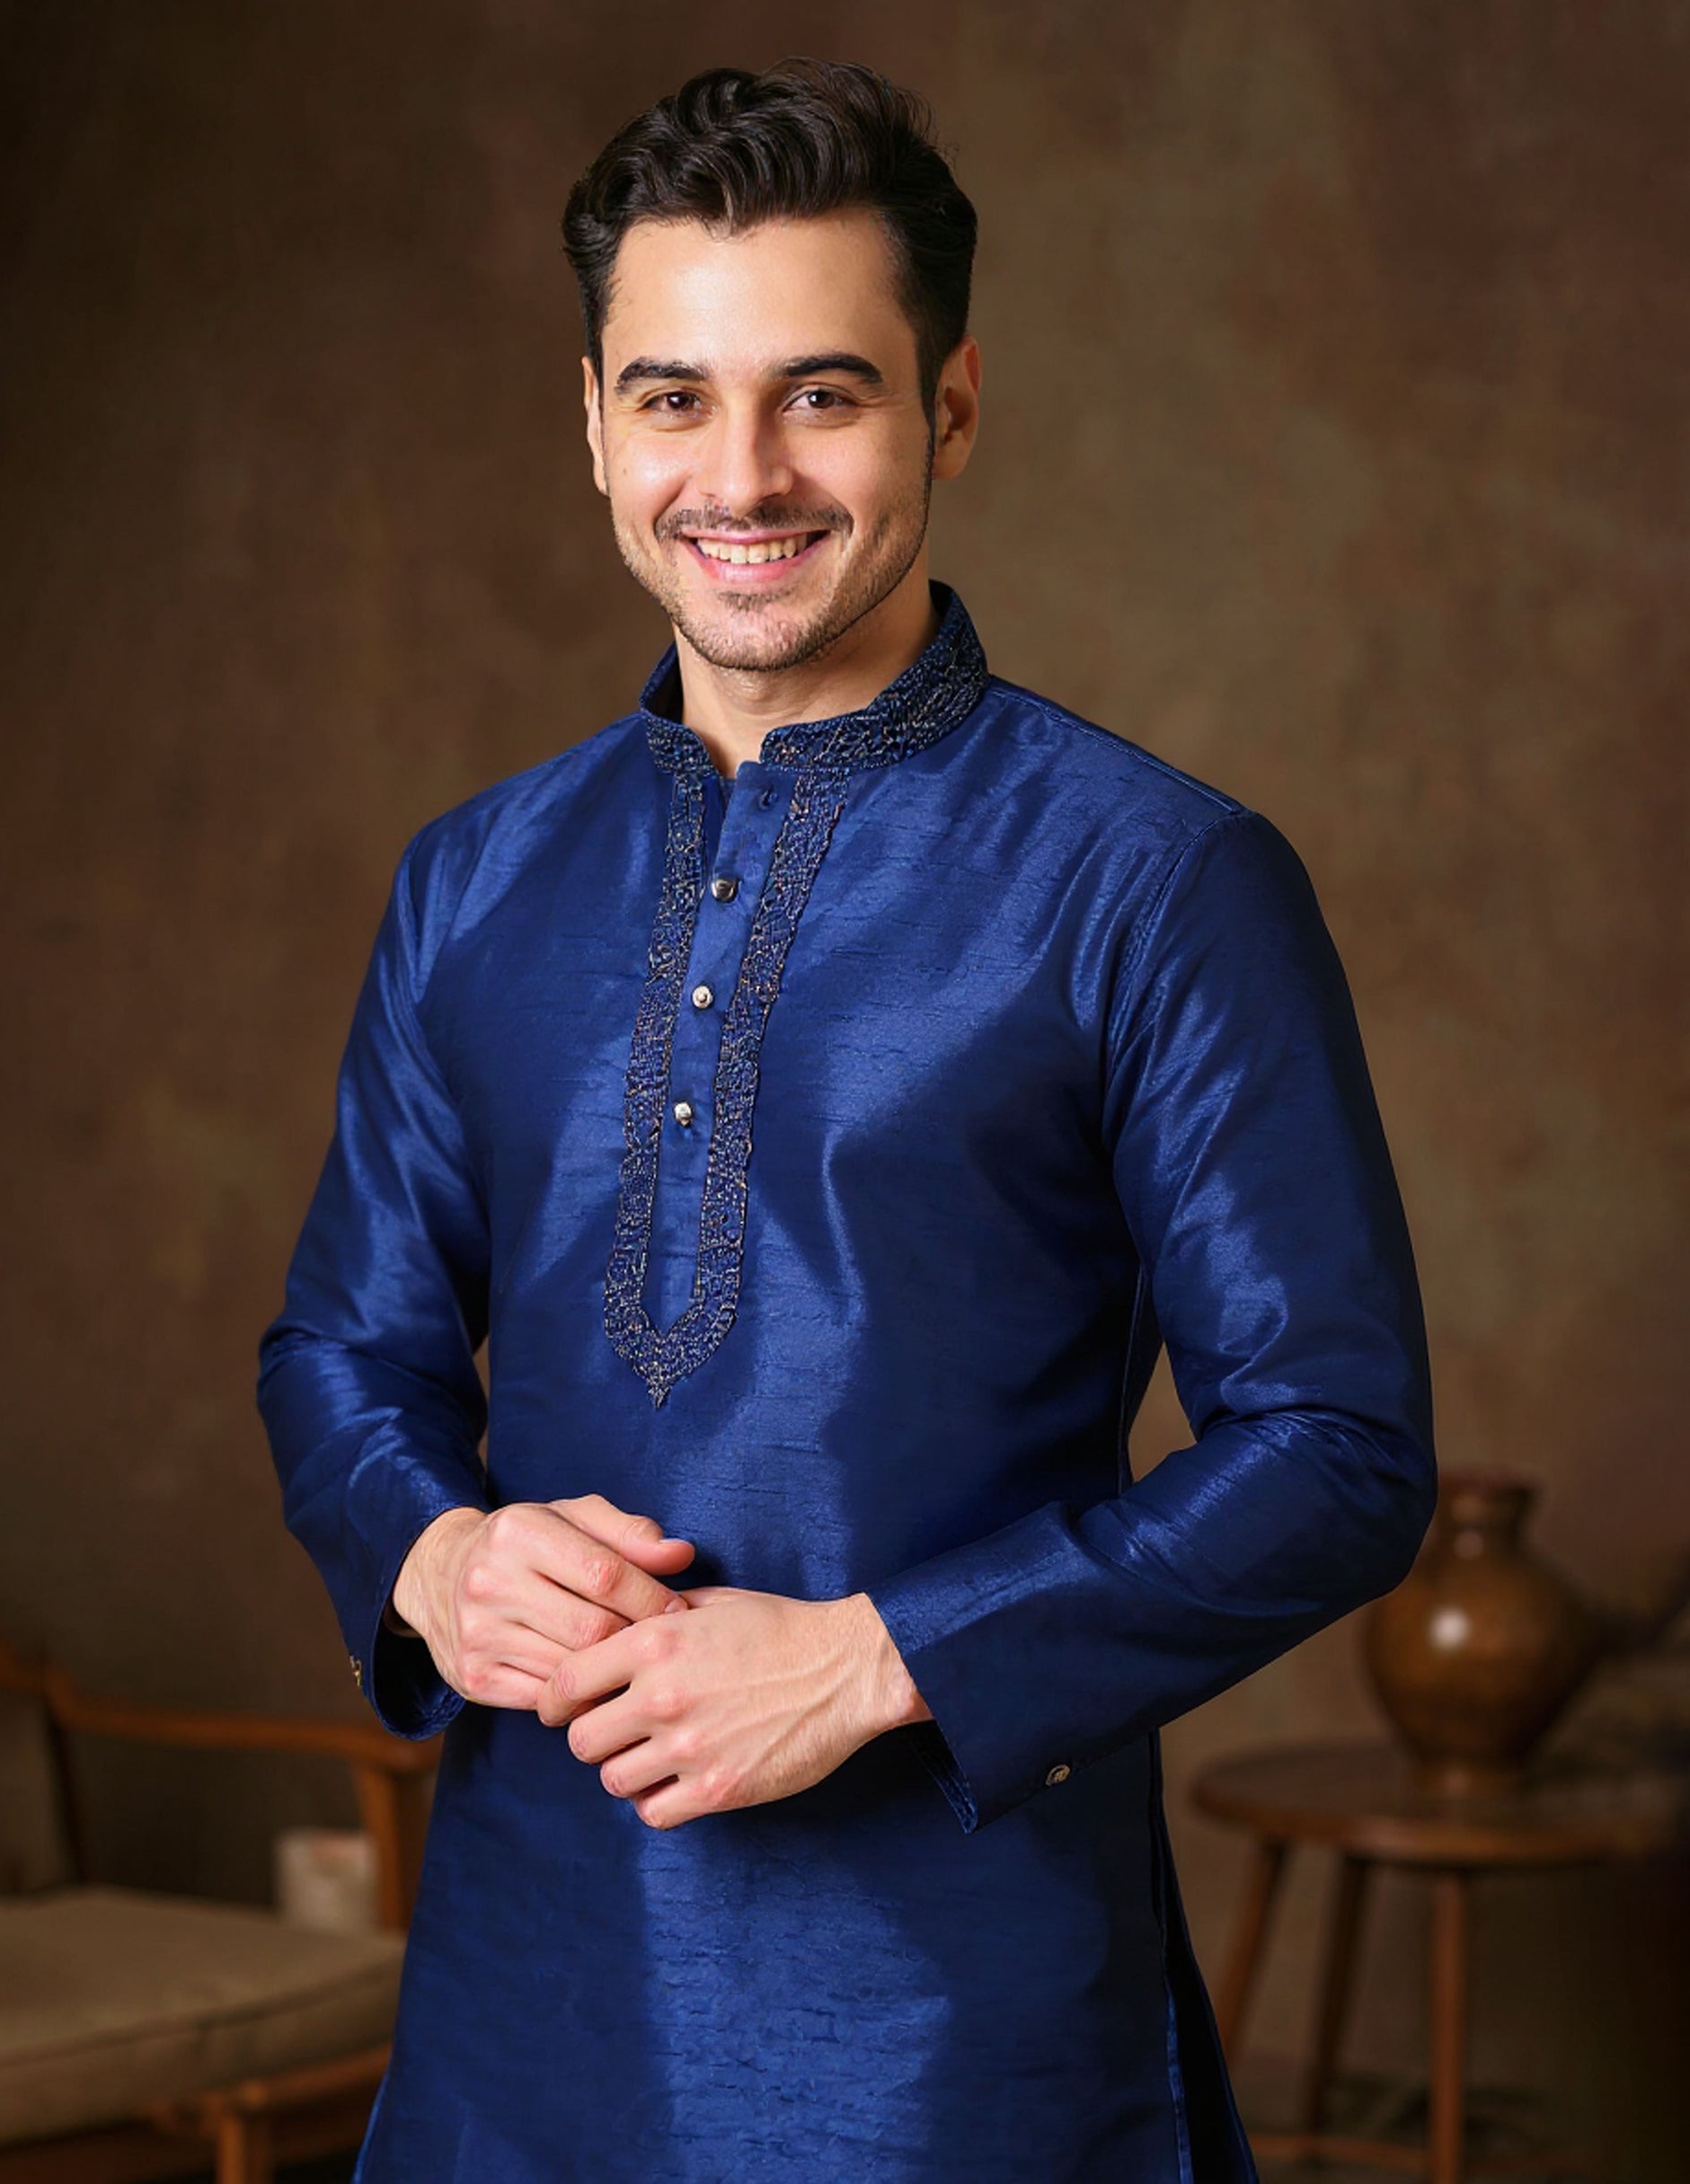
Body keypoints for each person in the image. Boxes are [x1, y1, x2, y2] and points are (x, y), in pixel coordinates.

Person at [257, 57, 1434, 2183]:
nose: (745, 473)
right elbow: (341, 1350)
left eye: (823, 393)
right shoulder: (475, 877)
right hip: (520, 1996)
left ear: (949, 410)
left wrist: (881, 1658)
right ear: (594, 425)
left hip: (953, 2024)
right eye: (677, 397)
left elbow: (1336, 1450)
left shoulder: (1151, 876)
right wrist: (431, 1548)